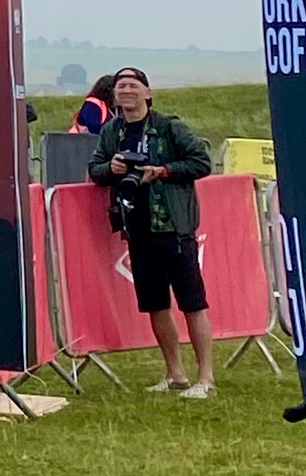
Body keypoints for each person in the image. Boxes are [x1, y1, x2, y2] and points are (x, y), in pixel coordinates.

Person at [88, 68, 215, 397]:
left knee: (192, 303)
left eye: (133, 85)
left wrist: (162, 171)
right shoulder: (111, 131)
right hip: (136, 228)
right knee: (156, 304)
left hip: (173, 225)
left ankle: (206, 379)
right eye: (121, 86)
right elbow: (94, 169)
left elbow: (202, 162)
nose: (126, 91)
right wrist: (111, 168)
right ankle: (175, 374)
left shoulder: (168, 127)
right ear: (114, 95)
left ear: (147, 93)